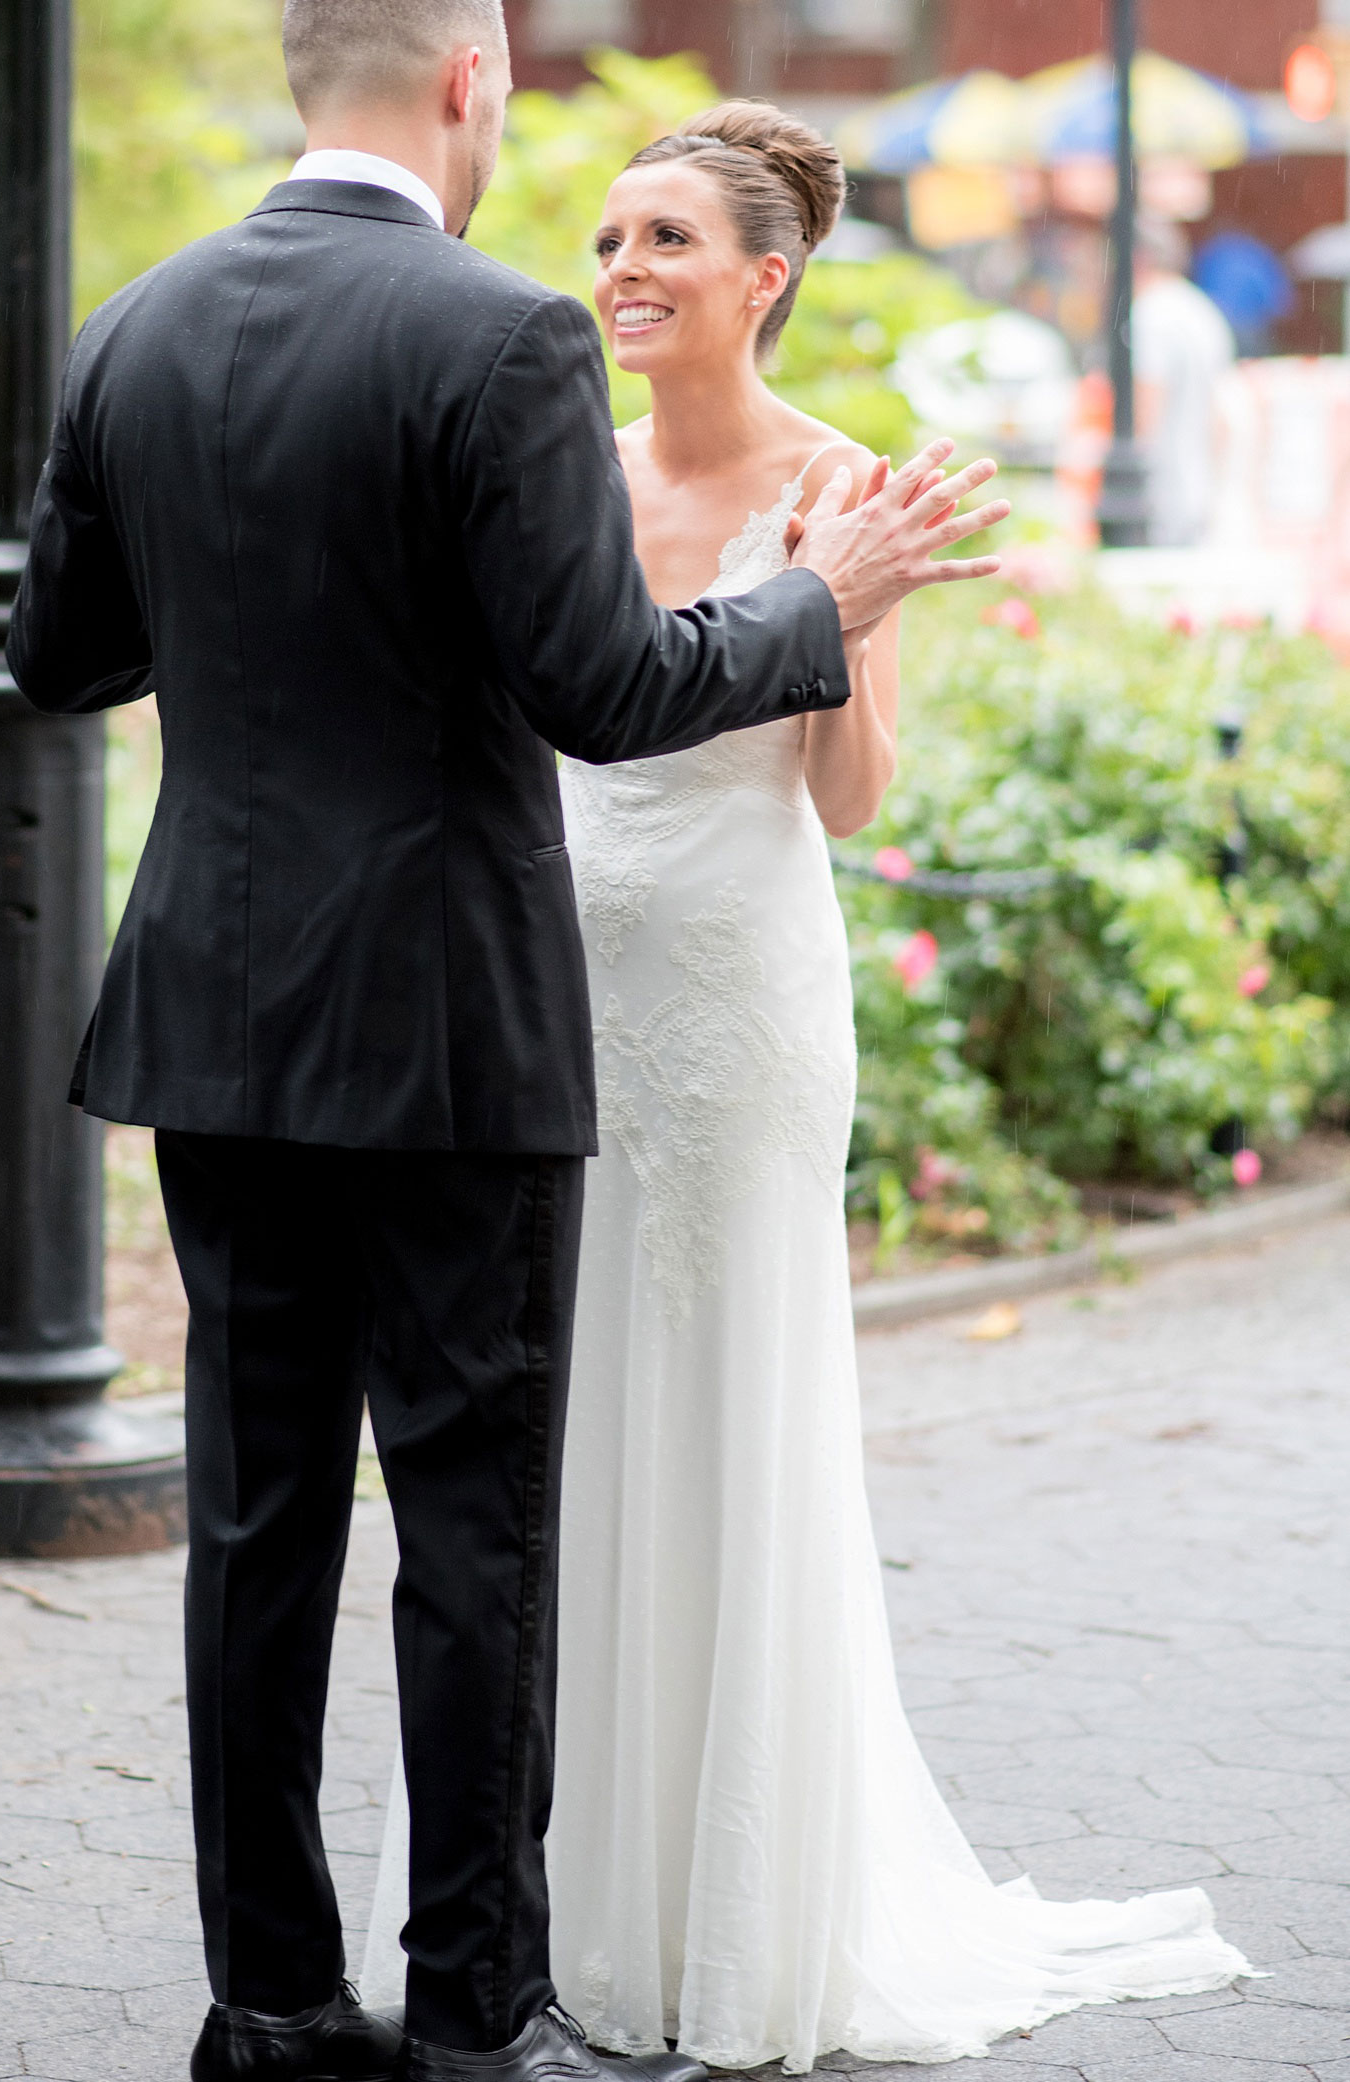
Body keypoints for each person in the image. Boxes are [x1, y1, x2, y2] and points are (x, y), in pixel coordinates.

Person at [6, 0, 1006, 2082]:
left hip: (214, 1014)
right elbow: (606, 687)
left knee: (257, 1522)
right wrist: (817, 604)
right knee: (474, 1532)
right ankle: (471, 2015)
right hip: (453, 1023)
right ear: (466, 82)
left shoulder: (134, 326)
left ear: (311, 76)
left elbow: (58, 661)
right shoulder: (502, 336)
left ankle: (268, 2002)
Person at [361, 104, 1252, 2067]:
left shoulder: (844, 484)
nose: (620, 271)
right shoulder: (561, 470)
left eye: (664, 237)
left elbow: (849, 805)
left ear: (762, 276)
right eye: (604, 237)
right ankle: (562, 1906)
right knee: (564, 1429)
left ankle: (744, 1912)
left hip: (738, 1003)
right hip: (552, 991)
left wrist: (848, 606)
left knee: (726, 1408)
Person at [1133, 217, 1236, 548]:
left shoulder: (1151, 313)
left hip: (1160, 491)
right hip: (1200, 486)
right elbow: (1221, 417)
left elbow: (1145, 406)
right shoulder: (1201, 310)